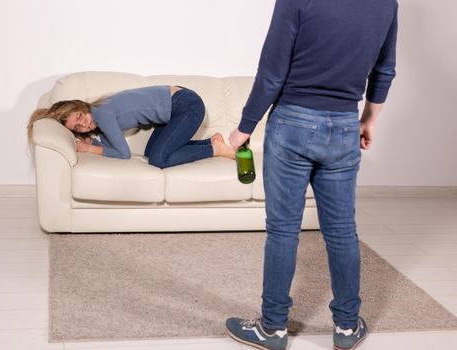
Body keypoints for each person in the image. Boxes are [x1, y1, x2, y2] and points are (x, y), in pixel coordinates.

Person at [226, 0, 398, 349]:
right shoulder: (387, 3)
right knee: (342, 232)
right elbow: (385, 70)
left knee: (283, 231)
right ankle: (347, 327)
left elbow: (272, 70)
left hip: (293, 122)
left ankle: (272, 328)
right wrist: (369, 120)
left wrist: (245, 127)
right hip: (345, 125)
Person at [28, 86, 235, 168]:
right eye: (78, 127)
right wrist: (93, 141)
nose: (84, 124)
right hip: (175, 110)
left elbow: (123, 154)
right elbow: (112, 149)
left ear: (81, 107)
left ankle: (213, 148)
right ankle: (211, 142)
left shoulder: (103, 114)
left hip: (187, 105)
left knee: (158, 160)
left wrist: (88, 147)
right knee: (150, 152)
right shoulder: (100, 118)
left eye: (80, 117)